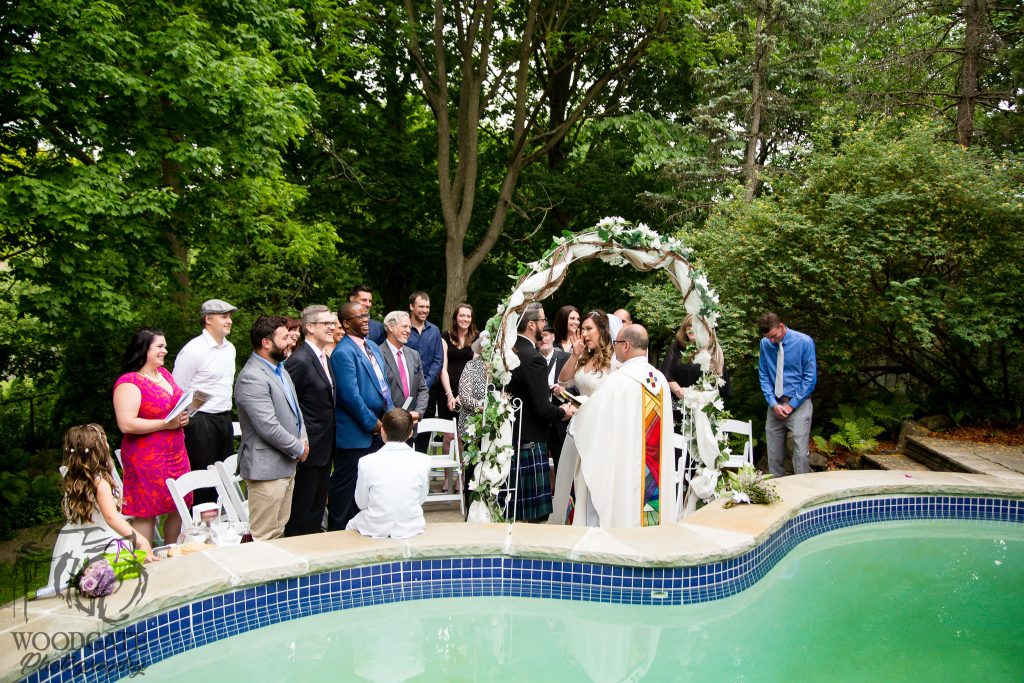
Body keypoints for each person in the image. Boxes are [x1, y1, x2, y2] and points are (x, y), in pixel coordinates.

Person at [567, 325, 676, 527]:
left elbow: (591, 418)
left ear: (626, 346)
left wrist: (578, 411)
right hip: (652, 468)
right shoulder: (659, 380)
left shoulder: (618, 381)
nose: (614, 348)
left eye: (616, 343)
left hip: (627, 463)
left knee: (626, 503)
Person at [49, 425, 156, 590]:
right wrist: (141, 540)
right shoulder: (100, 482)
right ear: (99, 449)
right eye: (105, 441)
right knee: (108, 585)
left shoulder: (71, 477)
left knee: (77, 588)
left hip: (72, 542)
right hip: (102, 541)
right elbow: (111, 517)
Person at [112, 328, 191, 544]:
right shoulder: (130, 382)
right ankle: (145, 557)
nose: (165, 351)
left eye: (165, 346)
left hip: (176, 452)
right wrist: (166, 424)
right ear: (144, 349)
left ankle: (174, 553)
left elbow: (173, 408)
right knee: (147, 510)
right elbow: (126, 423)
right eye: (160, 346)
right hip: (147, 456)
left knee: (179, 505)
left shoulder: (164, 374)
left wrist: (182, 418)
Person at [235, 316, 309, 541]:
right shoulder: (251, 377)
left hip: (286, 464)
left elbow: (296, 412)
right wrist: (298, 448)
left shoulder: (281, 370)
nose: (291, 342)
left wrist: (303, 438)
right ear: (266, 343)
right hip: (266, 469)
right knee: (265, 537)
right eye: (284, 338)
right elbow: (267, 426)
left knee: (279, 531)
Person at [504, 303, 574, 522]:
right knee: (534, 520)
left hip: (509, 438)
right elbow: (542, 409)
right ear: (532, 324)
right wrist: (562, 411)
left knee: (511, 514)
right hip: (530, 443)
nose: (545, 324)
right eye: (543, 320)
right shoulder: (534, 358)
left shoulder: (508, 351)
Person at [328, 301, 394, 531]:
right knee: (346, 489)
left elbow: (383, 387)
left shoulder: (373, 347)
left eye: (367, 315)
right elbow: (350, 397)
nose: (366, 320)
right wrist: (374, 424)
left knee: (368, 490)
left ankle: (361, 531)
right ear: (346, 324)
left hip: (378, 430)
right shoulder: (343, 352)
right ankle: (336, 534)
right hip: (355, 433)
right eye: (360, 317)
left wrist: (392, 418)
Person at [171, 298, 237, 505]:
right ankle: (200, 518)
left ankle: (224, 517)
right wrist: (187, 417)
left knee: (225, 472)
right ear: (208, 319)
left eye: (229, 317)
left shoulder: (230, 348)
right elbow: (178, 388)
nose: (229, 321)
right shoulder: (194, 350)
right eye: (223, 317)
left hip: (224, 417)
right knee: (202, 474)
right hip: (200, 420)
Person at [550, 311, 614, 523]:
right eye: (582, 329)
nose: (584, 334)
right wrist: (574, 355)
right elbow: (564, 380)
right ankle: (573, 518)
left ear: (602, 331)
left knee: (590, 476)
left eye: (589, 329)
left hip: (600, 427)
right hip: (578, 424)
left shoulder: (613, 361)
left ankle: (592, 521)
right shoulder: (585, 356)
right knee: (572, 475)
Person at [283, 305, 337, 536]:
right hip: (307, 448)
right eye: (326, 323)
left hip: (324, 445)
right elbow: (287, 406)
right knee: (302, 512)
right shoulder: (300, 360)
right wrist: (297, 442)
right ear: (310, 327)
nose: (332, 327)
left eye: (332, 323)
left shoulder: (324, 357)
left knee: (316, 509)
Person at [347, 408, 431, 539]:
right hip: (411, 524)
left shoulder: (366, 462)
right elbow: (421, 499)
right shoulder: (424, 460)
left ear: (382, 431)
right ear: (410, 433)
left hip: (375, 525)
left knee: (350, 526)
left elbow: (362, 503)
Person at [758, 312, 817, 477]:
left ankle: (802, 488)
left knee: (800, 454)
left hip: (799, 404)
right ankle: (777, 489)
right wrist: (772, 403)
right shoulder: (765, 343)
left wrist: (791, 405)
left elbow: (810, 379)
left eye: (774, 336)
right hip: (775, 405)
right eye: (767, 337)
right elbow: (764, 375)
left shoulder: (804, 342)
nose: (771, 341)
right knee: (773, 455)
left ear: (781, 326)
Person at [661, 314, 733, 423]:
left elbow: (718, 380)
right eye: (689, 325)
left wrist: (692, 395)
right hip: (677, 406)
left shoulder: (713, 349)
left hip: (704, 408)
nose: (691, 328)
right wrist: (680, 392)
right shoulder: (676, 346)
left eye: (696, 325)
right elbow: (665, 374)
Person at [407, 291, 444, 450]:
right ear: (411, 307)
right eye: (421, 306)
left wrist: (425, 385)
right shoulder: (404, 328)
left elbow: (438, 360)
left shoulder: (434, 330)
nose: (425, 310)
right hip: (406, 391)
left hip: (429, 391)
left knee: (424, 435)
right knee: (405, 434)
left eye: (427, 307)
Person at [378, 310, 429, 423]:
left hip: (411, 422)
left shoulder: (414, 355)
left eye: (409, 327)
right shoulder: (377, 354)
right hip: (387, 423)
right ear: (391, 327)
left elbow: (423, 389)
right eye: (404, 326)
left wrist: (418, 412)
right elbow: (378, 392)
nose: (408, 331)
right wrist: (396, 418)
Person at [538, 324, 571, 472]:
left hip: (561, 417)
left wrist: (563, 391)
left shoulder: (566, 358)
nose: (543, 338)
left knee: (562, 465)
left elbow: (577, 386)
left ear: (553, 336)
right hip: (539, 420)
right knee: (540, 465)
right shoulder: (531, 359)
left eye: (546, 335)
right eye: (540, 336)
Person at [439, 303, 477, 421]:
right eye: (462, 315)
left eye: (468, 316)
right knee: (446, 430)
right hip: (446, 389)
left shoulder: (477, 338)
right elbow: (443, 369)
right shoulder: (445, 336)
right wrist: (449, 395)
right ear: (456, 317)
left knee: (465, 429)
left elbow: (475, 369)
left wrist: (463, 395)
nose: (465, 319)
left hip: (468, 390)